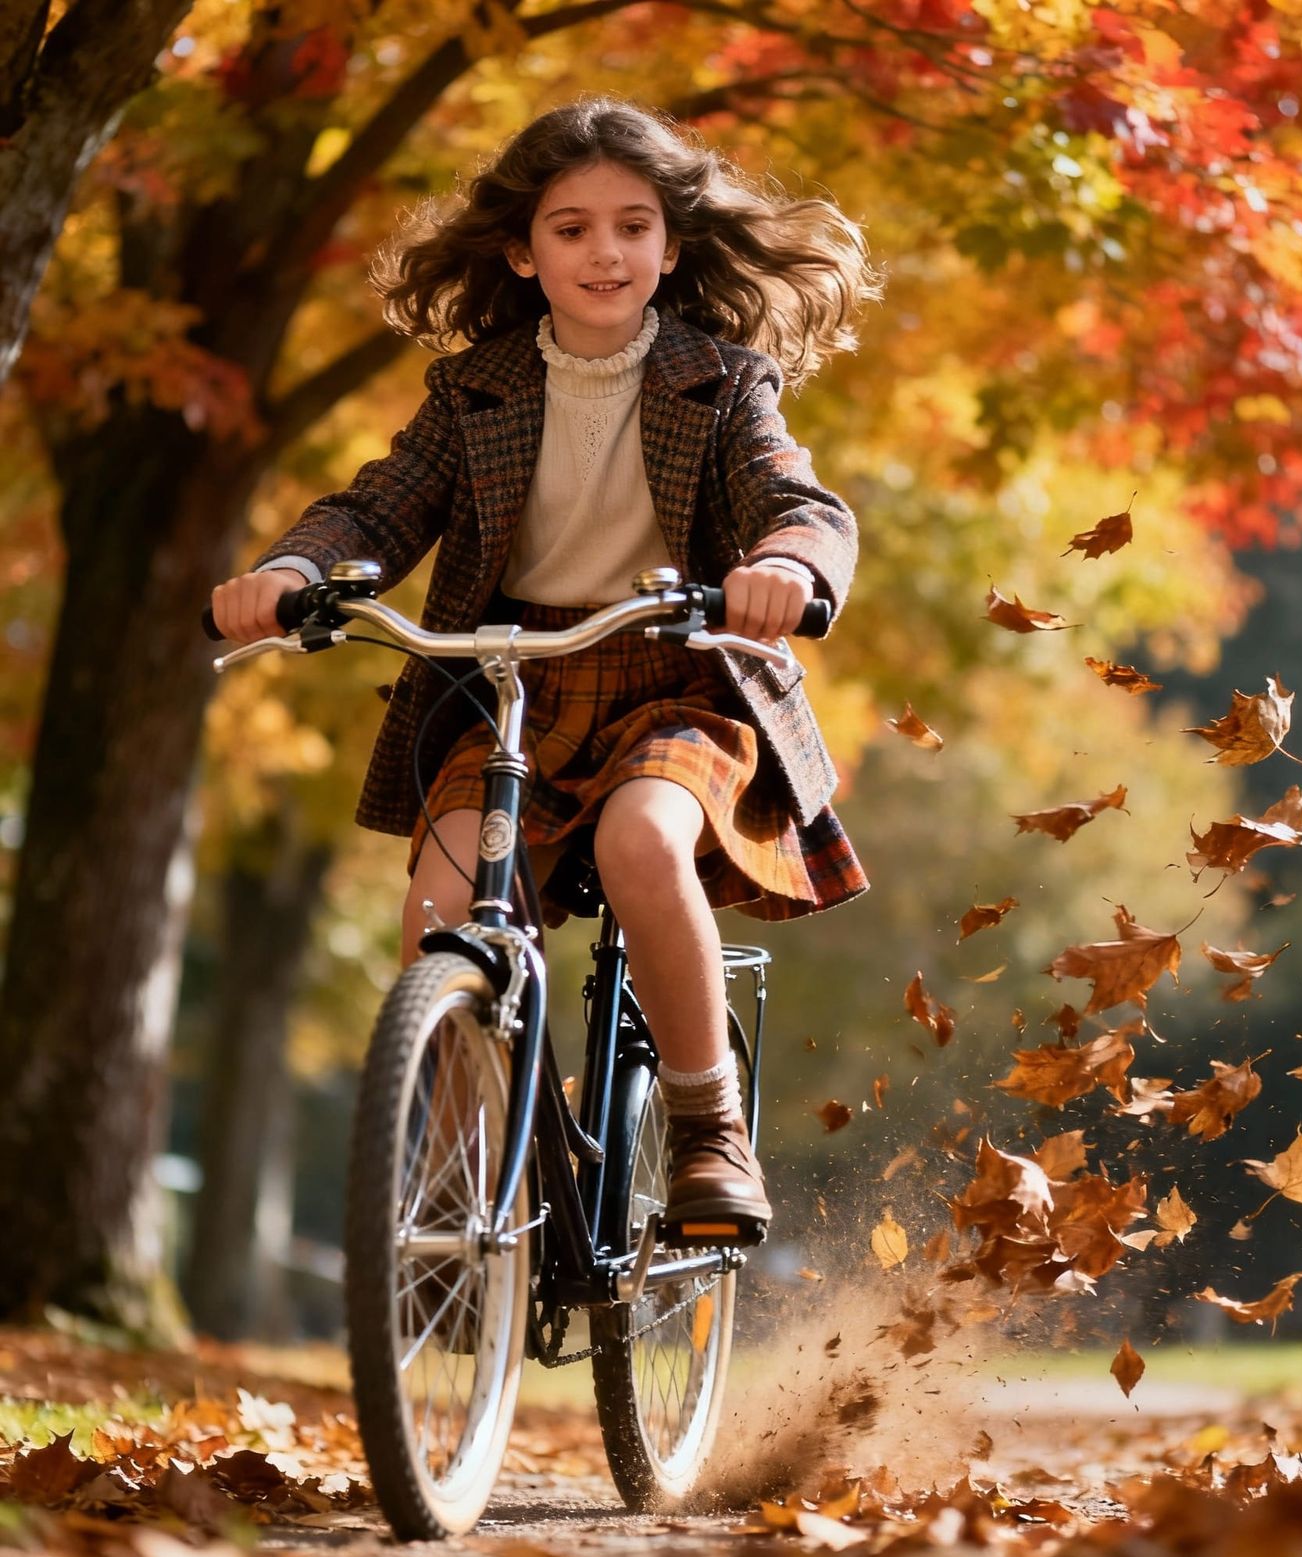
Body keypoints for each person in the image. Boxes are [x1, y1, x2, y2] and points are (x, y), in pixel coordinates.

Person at [209, 96, 877, 1234]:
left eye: (631, 225)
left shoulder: (724, 383)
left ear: (670, 245)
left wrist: (787, 565)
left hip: (679, 679)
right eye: (569, 229)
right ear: (522, 253)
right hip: (515, 681)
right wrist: (288, 571)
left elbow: (797, 500)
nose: (603, 252)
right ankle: (466, 1181)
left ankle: (706, 1122)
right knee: (439, 898)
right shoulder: (476, 388)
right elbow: (376, 507)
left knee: (639, 842)